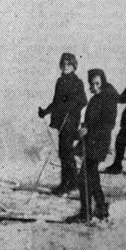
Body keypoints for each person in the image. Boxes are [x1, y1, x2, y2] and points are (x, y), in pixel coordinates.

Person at [65, 69, 118, 223]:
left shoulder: (107, 98)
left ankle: (85, 213)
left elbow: (108, 123)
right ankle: (101, 207)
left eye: (97, 83)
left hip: (98, 142)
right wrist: (83, 128)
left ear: (103, 81)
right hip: (92, 141)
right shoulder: (97, 98)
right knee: (92, 176)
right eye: (92, 83)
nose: (94, 87)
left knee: (84, 178)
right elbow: (91, 120)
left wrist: (89, 129)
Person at [38, 53, 88, 195]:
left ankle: (68, 183)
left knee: (66, 152)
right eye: (63, 64)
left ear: (74, 66)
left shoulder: (77, 82)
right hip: (61, 121)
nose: (66, 67)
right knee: (65, 152)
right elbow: (56, 102)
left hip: (71, 120)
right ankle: (70, 182)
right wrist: (45, 111)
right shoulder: (60, 81)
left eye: (69, 64)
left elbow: (83, 101)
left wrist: (72, 106)